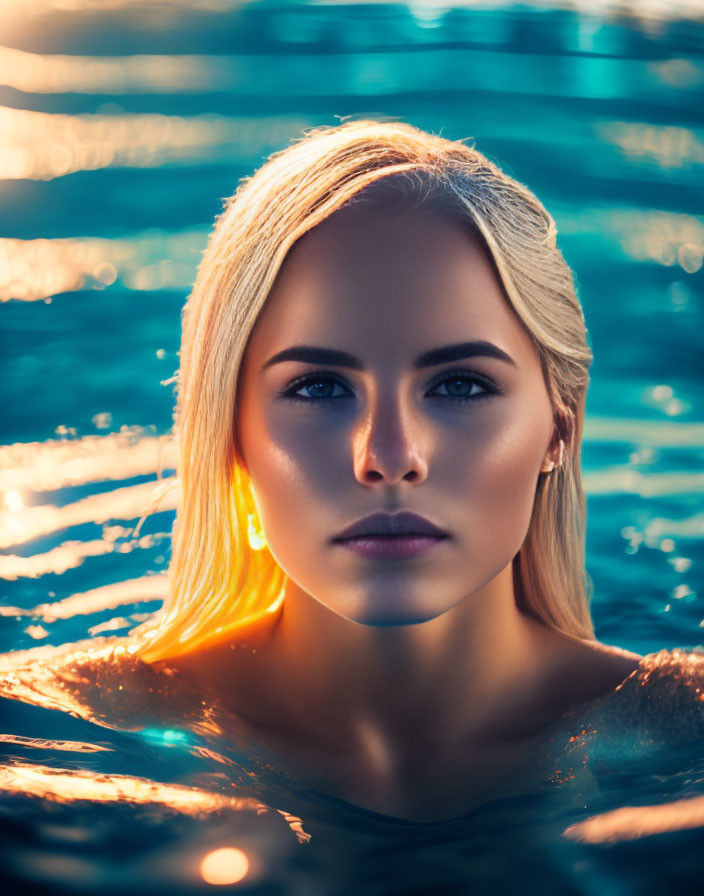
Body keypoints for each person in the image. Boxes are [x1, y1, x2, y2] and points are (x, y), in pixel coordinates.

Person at [2, 120, 703, 832]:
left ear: (559, 427)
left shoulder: (687, 730)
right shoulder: (42, 729)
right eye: (318, 387)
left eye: (460, 386)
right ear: (232, 434)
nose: (389, 454)